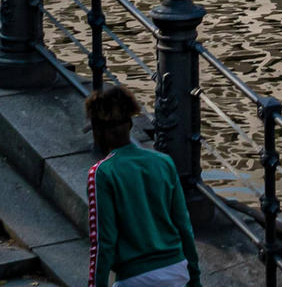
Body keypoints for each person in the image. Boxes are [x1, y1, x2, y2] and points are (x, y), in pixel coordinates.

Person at [85, 86, 201, 287]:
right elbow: (184, 226)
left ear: (98, 132)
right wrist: (195, 279)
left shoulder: (102, 173)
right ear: (130, 125)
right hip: (177, 270)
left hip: (135, 276)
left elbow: (104, 242)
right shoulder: (164, 162)